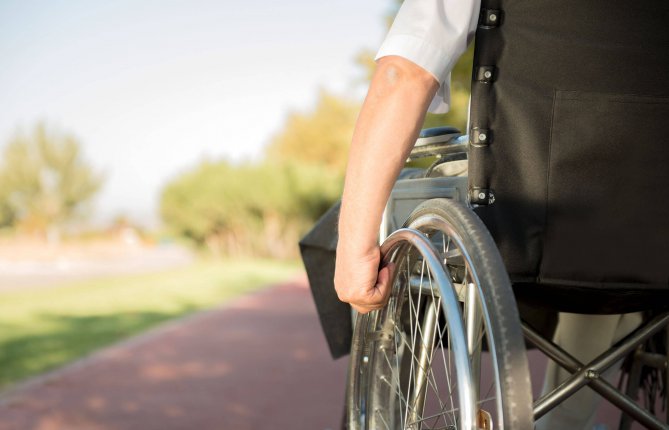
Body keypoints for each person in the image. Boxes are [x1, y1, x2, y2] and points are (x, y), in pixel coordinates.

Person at [332, 1, 646, 429]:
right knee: (623, 234)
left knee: (378, 214)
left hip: (533, 223)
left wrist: (353, 246)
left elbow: (404, 74)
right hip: (642, 232)